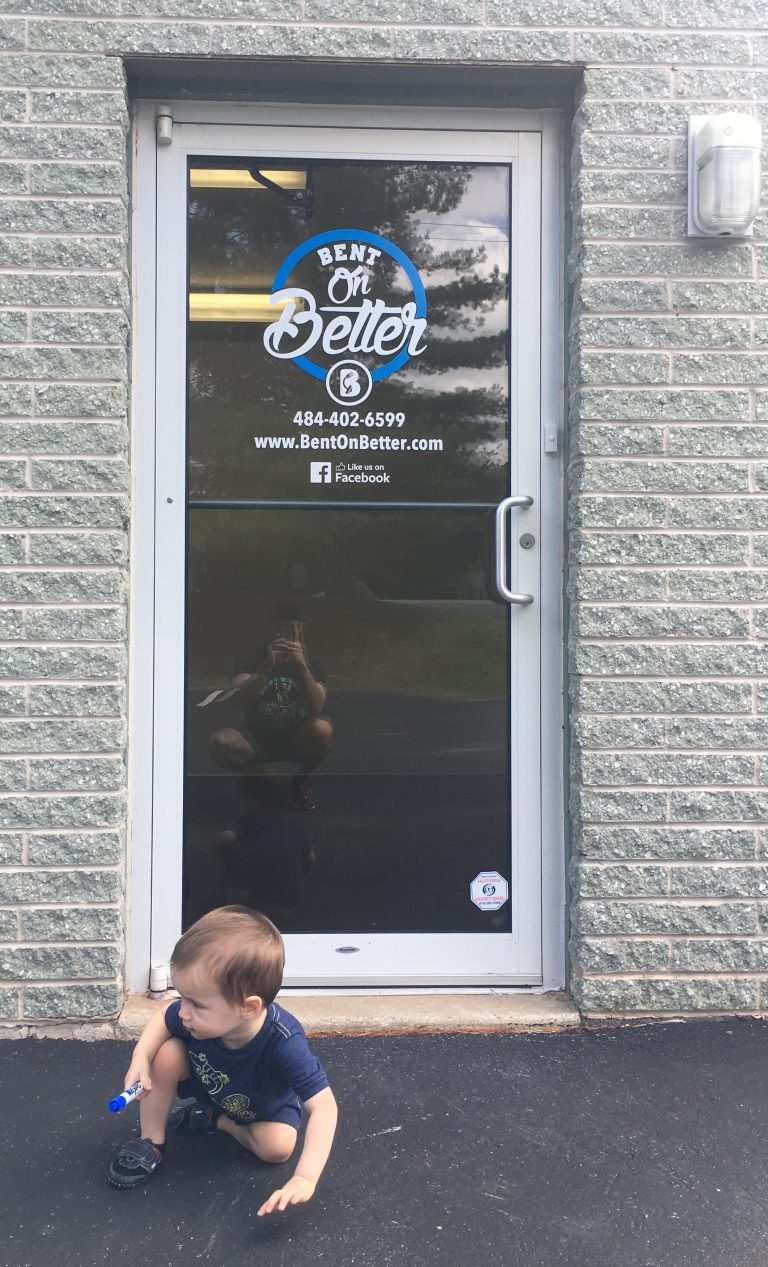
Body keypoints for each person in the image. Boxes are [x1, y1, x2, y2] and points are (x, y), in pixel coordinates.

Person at [106, 906, 338, 1215]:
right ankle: (151, 1141)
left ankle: (216, 1120)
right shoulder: (196, 1016)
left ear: (248, 1007)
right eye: (182, 997)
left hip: (259, 1109)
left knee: (278, 1148)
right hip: (209, 1082)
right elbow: (164, 1015)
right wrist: (141, 1057)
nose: (184, 1011)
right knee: (167, 1053)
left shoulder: (284, 1042)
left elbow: (324, 1106)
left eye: (197, 1004)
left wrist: (305, 1178)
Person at [208, 607, 333, 811]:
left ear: (301, 631)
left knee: (322, 729)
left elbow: (316, 706)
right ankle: (268, 781)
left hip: (297, 738)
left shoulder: (312, 663)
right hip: (258, 738)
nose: (283, 634)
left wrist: (302, 667)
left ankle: (300, 780)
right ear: (269, 630)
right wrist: (266, 667)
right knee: (220, 742)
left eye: (290, 629)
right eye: (279, 629)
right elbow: (239, 699)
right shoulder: (251, 659)